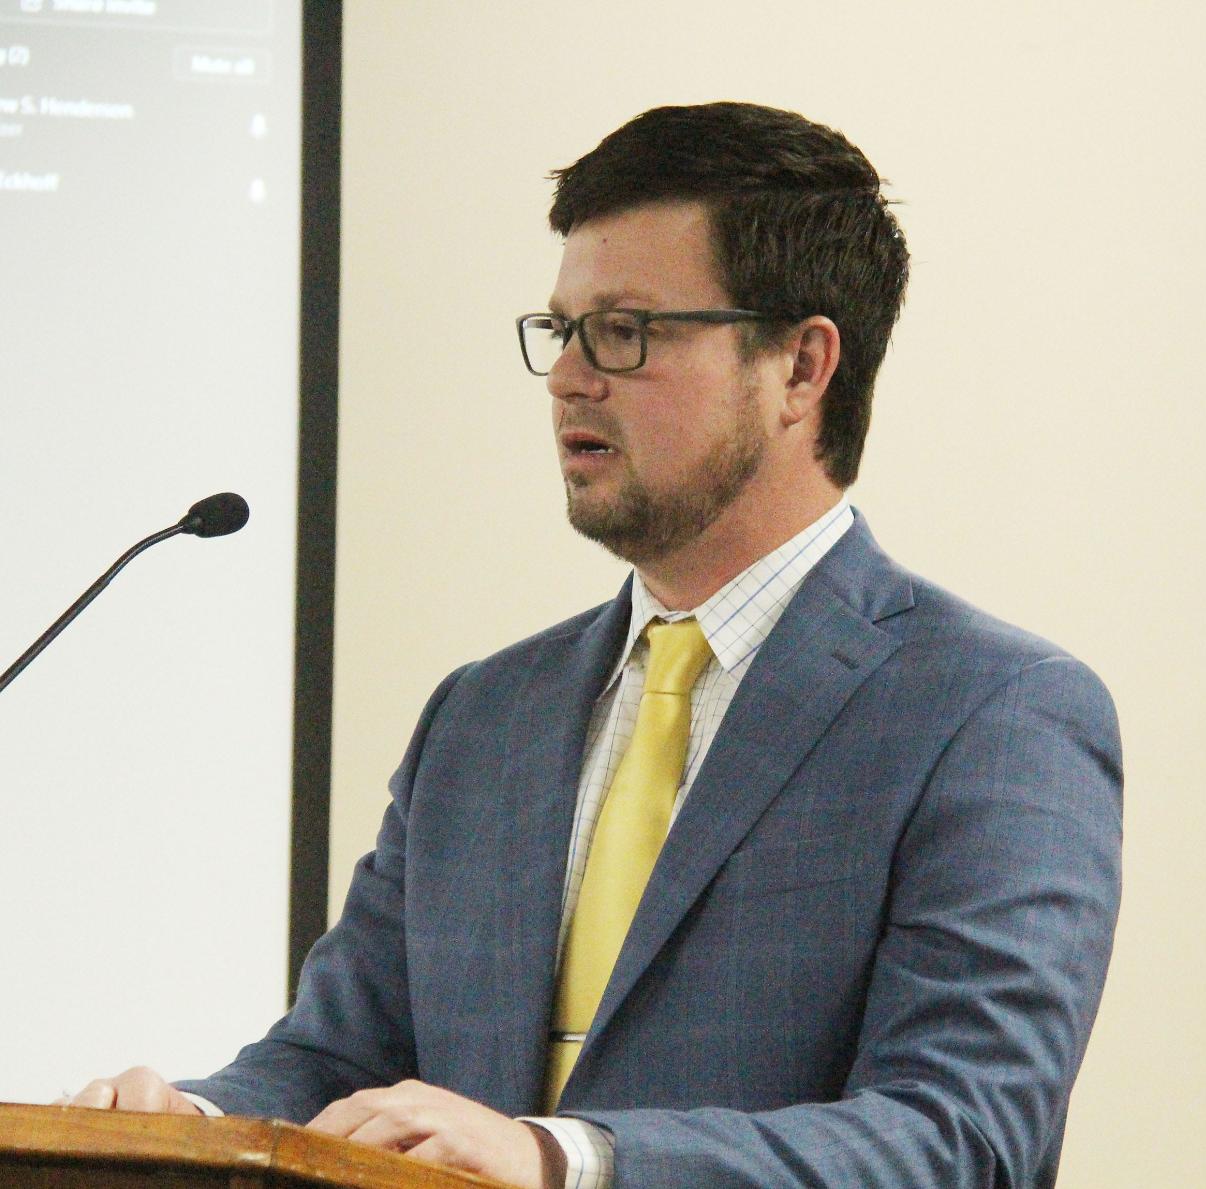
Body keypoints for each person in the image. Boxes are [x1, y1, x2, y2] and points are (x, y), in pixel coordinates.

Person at [68, 102, 1122, 1189]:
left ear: (803, 367)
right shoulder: (482, 716)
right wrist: (182, 1120)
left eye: (626, 330)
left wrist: (564, 1158)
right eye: (560, 329)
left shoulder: (994, 713)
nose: (571, 375)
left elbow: (960, 1137)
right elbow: (340, 1057)